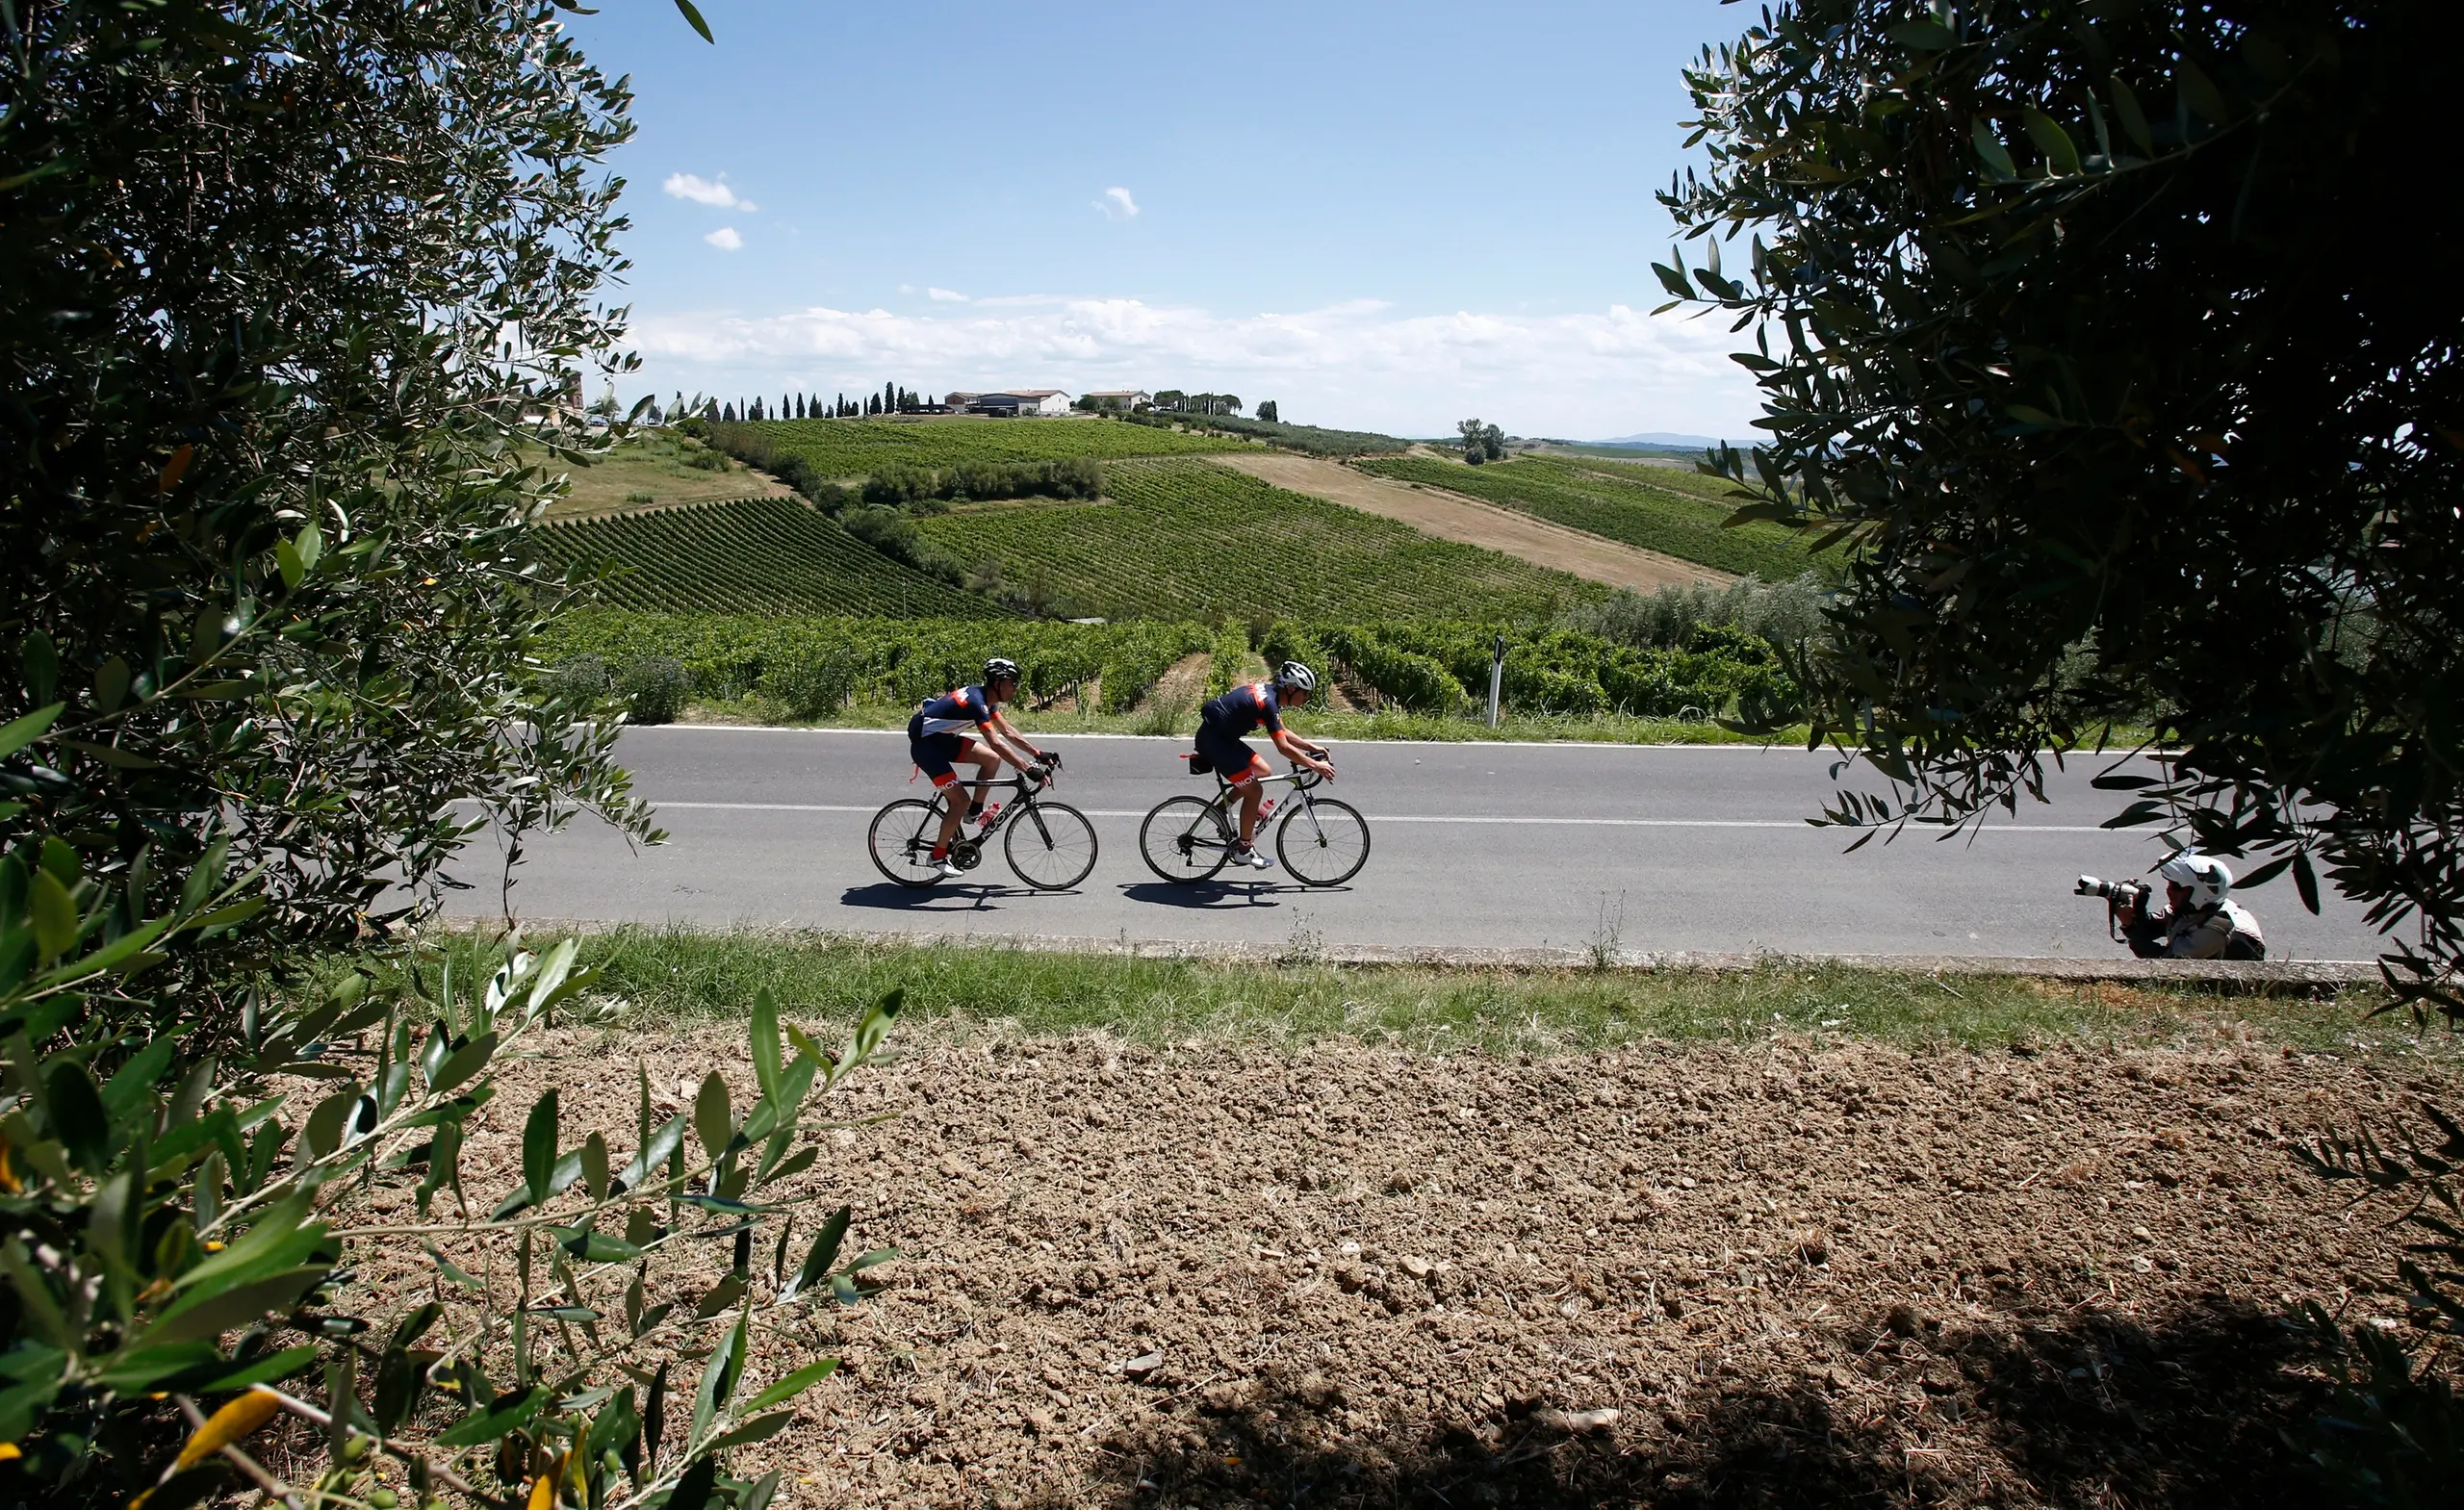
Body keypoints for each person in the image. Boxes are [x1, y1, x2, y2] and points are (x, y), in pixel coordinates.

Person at [909, 657, 1050, 881]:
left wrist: (1037, 753)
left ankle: (973, 811)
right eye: (1013, 682)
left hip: (943, 740)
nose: (1016, 688)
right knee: (959, 800)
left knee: (992, 760)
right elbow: (995, 741)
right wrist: (1027, 769)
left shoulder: (987, 699)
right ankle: (937, 856)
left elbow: (1008, 732)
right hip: (927, 748)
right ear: (998, 682)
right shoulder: (976, 702)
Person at [1195, 660, 1335, 871]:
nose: (1306, 698)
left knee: (1263, 771)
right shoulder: (1268, 703)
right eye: (1305, 693)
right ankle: (1244, 850)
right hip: (1215, 742)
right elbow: (1283, 748)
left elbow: (1283, 731)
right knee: (1254, 791)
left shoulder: (1271, 697)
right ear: (1291, 688)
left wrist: (1310, 746)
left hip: (1222, 739)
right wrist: (1315, 765)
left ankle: (1220, 810)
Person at [2117, 851, 2267, 960]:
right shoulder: (2201, 907)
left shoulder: (2215, 928)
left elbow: (2166, 965)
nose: (2169, 890)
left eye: (2177, 886)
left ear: (2201, 891)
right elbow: (2154, 928)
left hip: (2229, 991)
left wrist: (2131, 927)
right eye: (2169, 884)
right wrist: (2138, 909)